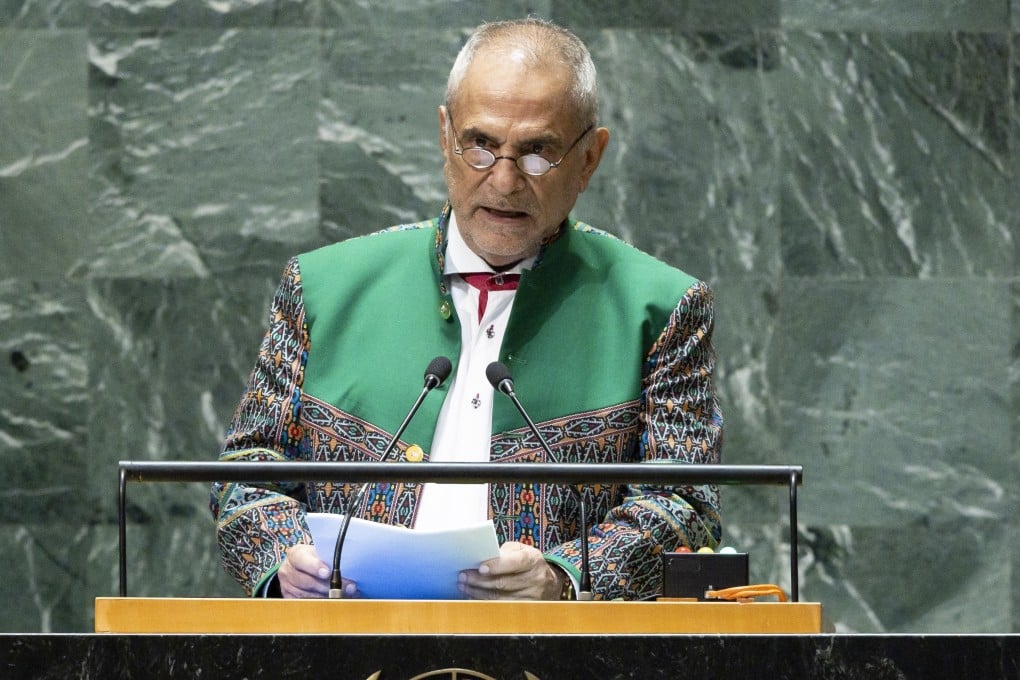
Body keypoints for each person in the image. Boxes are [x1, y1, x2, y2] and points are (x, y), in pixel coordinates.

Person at [210, 17, 723, 601]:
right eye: (481, 145)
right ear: (444, 135)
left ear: (589, 159)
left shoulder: (660, 308)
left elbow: (685, 502)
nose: (503, 182)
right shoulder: (322, 288)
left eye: (537, 154)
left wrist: (563, 578)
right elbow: (246, 472)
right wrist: (285, 561)